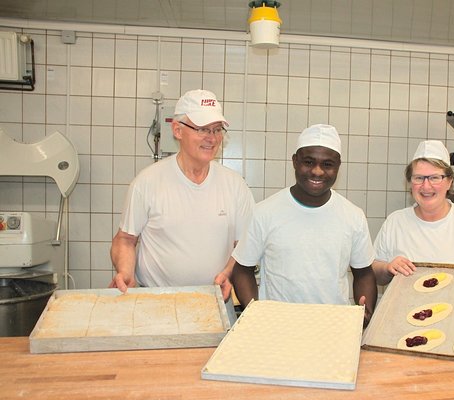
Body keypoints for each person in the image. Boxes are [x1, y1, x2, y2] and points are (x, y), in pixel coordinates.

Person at [109, 89, 255, 319]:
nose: (212, 137)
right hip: (156, 304)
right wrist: (125, 271)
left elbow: (243, 248)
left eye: (217, 129)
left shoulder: (235, 186)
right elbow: (125, 239)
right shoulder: (147, 182)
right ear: (177, 129)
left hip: (215, 304)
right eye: (203, 129)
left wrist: (228, 273)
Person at [231, 124, 377, 325]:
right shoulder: (265, 212)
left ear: (338, 166)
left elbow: (364, 273)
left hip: (333, 329)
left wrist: (366, 311)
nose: (317, 172)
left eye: (327, 164)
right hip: (277, 329)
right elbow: (242, 269)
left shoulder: (353, 216)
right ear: (294, 162)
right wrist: (255, 314)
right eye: (308, 162)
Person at [373, 139, 454, 285]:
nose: (426, 186)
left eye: (435, 178)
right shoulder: (396, 222)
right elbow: (374, 271)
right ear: (410, 183)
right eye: (418, 178)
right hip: (406, 307)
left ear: (449, 182)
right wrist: (387, 268)